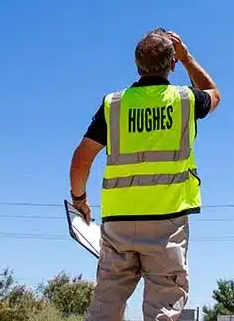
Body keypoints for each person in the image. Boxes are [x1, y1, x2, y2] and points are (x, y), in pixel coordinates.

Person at [69, 28, 221, 321]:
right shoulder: (186, 100)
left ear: (136, 65)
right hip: (167, 224)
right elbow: (214, 94)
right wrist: (188, 59)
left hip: (118, 226)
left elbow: (81, 160)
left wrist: (80, 199)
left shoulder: (113, 105)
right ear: (172, 63)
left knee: (106, 307)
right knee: (163, 309)